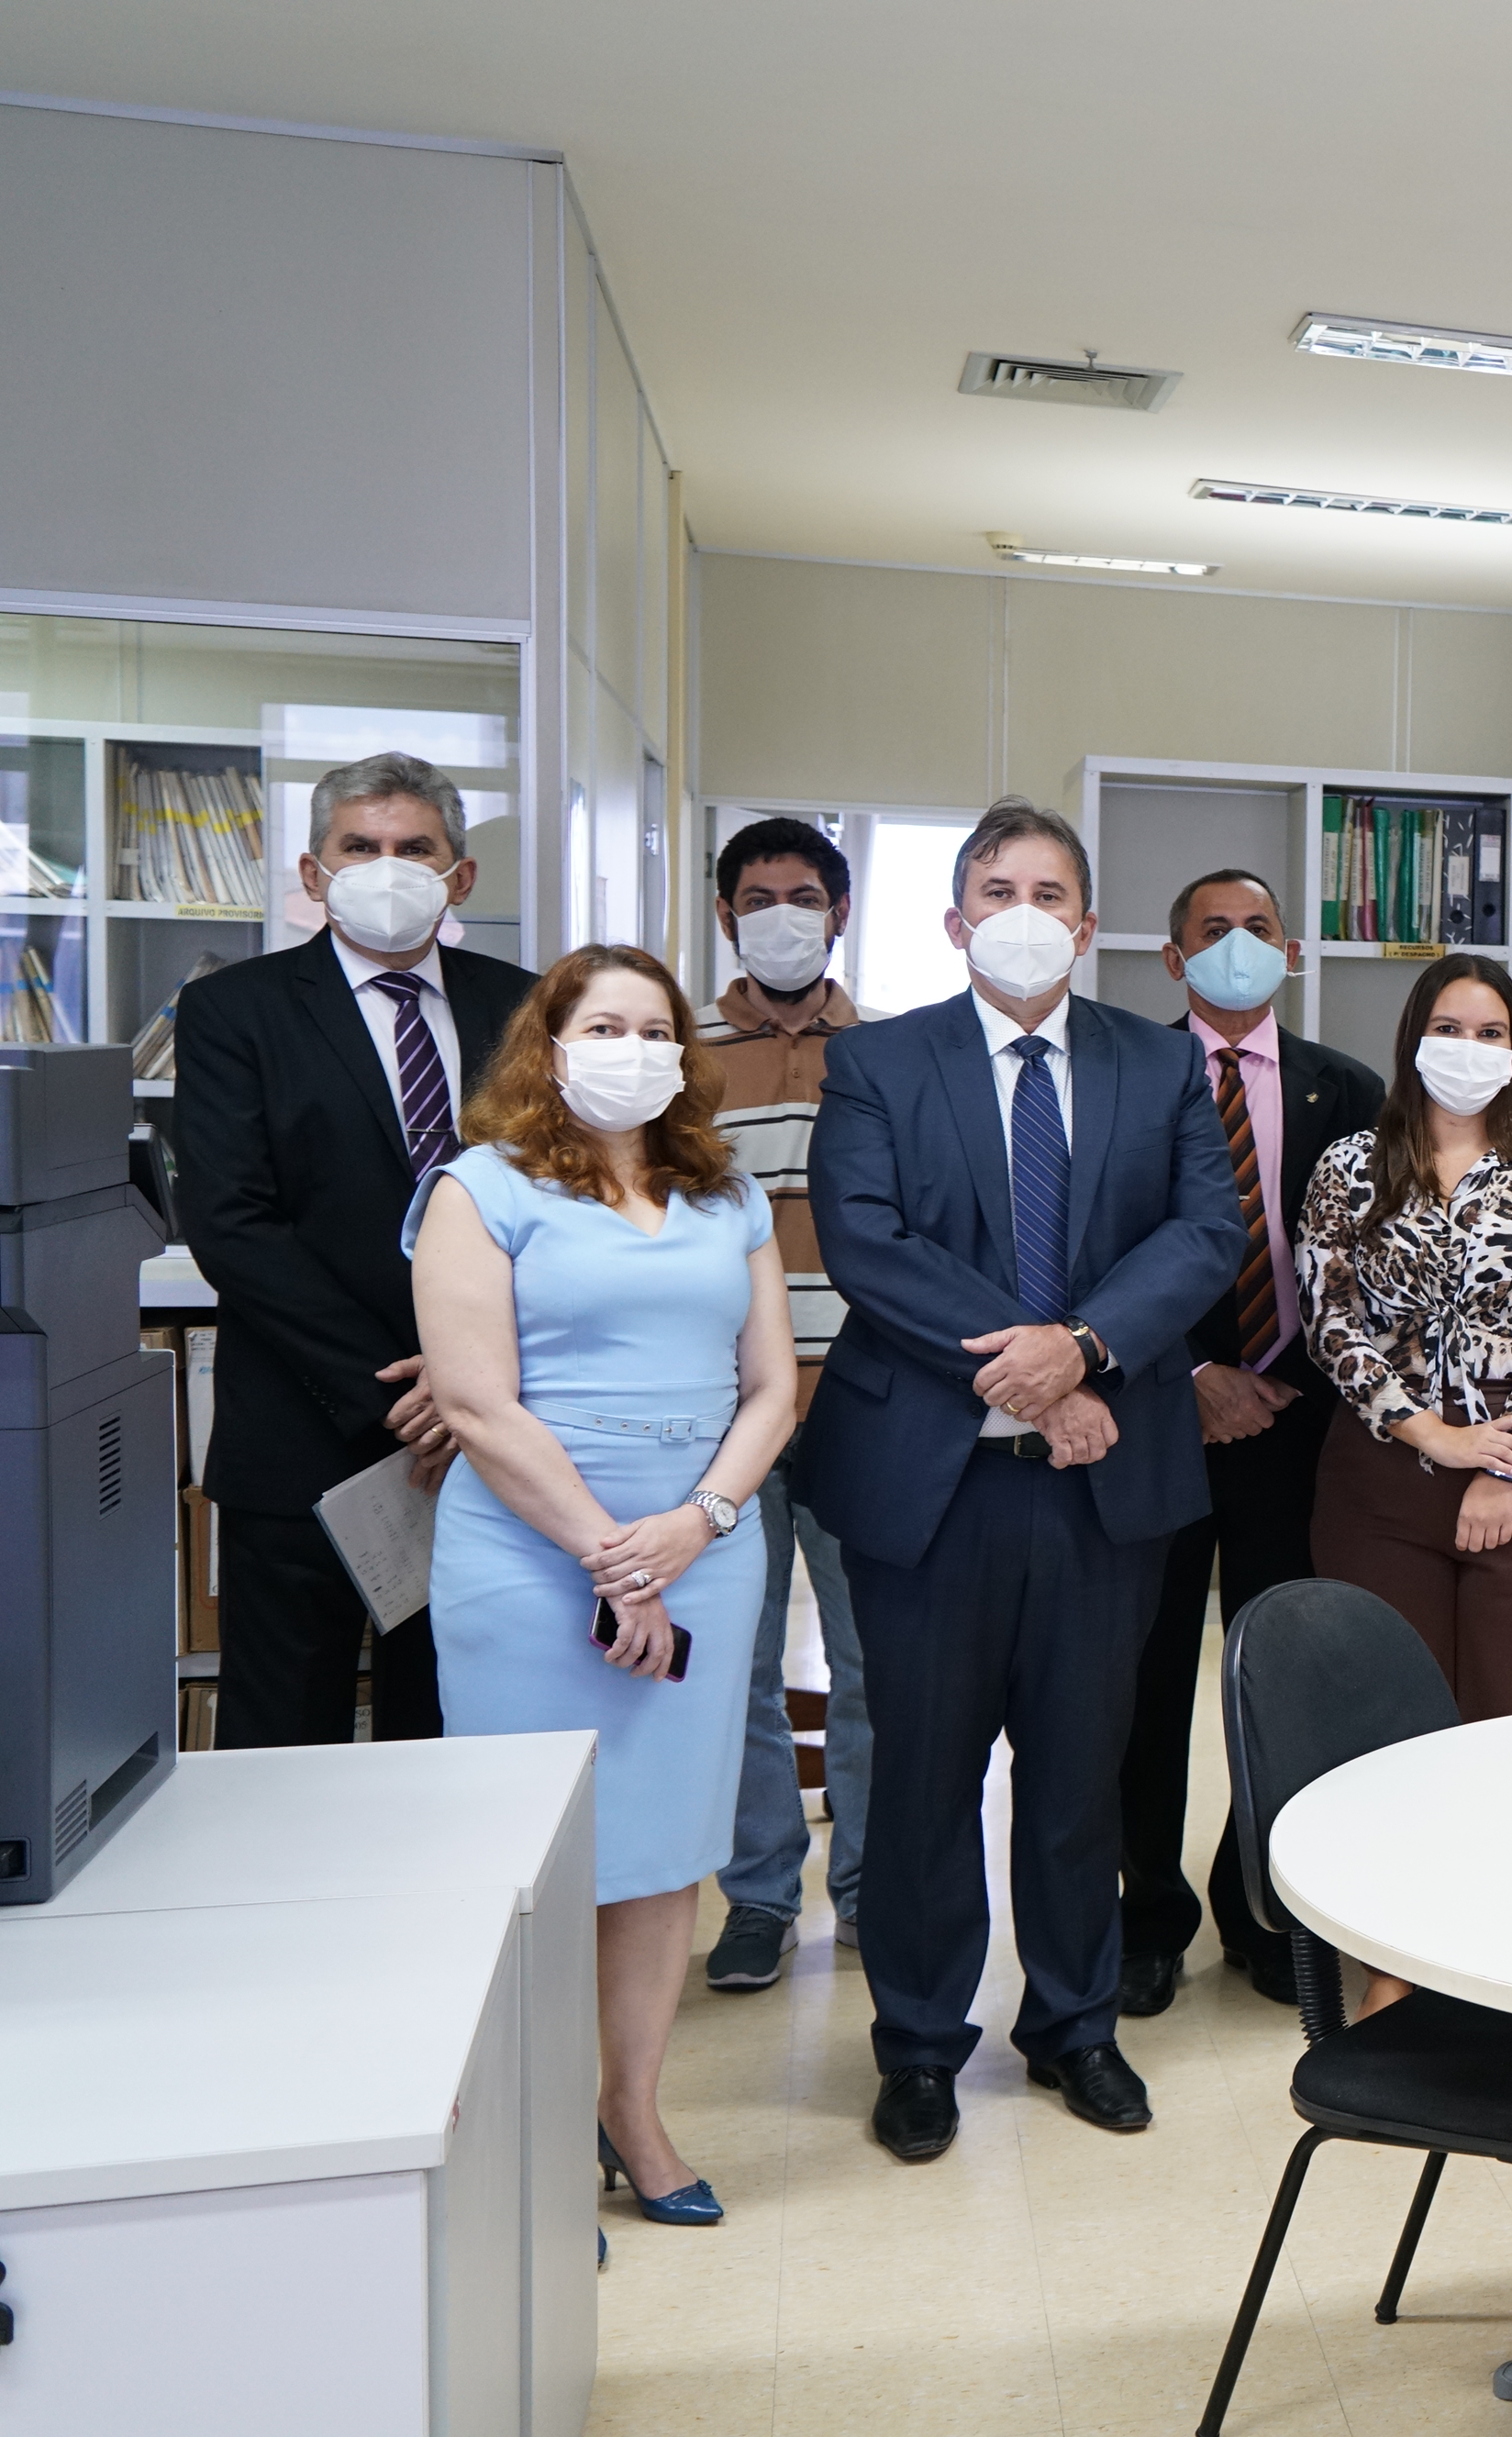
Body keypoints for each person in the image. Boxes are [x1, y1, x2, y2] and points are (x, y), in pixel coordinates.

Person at [795, 797, 1241, 2164]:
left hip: (1107, 1483)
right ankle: (922, 2046)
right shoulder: (878, 1063)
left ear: (1090, 925)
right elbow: (866, 1244)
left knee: (1076, 1772)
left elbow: (1203, 1230)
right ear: (954, 919)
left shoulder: (1155, 1068)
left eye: (1050, 890)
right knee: (927, 1774)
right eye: (997, 888)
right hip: (933, 1482)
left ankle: (1075, 2025)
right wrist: (1030, 1370)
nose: (1024, 910)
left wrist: (1087, 1351)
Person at [408, 945, 795, 2227]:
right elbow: (472, 1402)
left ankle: (630, 2108)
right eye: (603, 1025)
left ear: (682, 1054)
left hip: (705, 1549)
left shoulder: (722, 1190)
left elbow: (771, 1387)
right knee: (538, 1855)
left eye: (653, 1028)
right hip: (531, 1559)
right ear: (551, 1045)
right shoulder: (482, 1190)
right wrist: (607, 1556)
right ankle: (522, 2135)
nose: (630, 1048)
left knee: (661, 1850)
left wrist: (697, 1524)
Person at [175, 751, 532, 1748]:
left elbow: (556, 1212)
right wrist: (400, 1387)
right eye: (360, 847)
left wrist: (467, 1384)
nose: (387, 865)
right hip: (304, 1440)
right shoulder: (234, 1011)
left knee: (450, 1738)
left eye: (414, 848)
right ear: (312, 873)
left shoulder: (526, 1008)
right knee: (283, 1744)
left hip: (487, 1446)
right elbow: (233, 1223)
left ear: (460, 877)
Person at [1114, 867, 1383, 2020]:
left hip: (1302, 1422)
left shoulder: (1349, 1089)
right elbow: (1101, 1253)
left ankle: (1258, 1904)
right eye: (1211, 931)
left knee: (1276, 1677)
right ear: (1173, 960)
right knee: (1151, 1675)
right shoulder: (1122, 1081)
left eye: (1258, 928)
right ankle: (1147, 1917)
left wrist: (1282, 1379)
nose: (1237, 945)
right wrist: (1187, 1375)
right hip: (1161, 1419)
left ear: (1293, 950)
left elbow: (1374, 1266)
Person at [1299, 952, 1512, 1722]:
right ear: (1414, 1038)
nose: (1468, 1046)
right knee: (1387, 1710)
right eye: (1449, 1028)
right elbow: (1328, 1320)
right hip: (1382, 1461)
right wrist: (1434, 1437)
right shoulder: (1348, 1166)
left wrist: (1499, 1464)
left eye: (1489, 1031)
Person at [696, 815, 878, 1994]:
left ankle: (867, 1887)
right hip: (730, 1415)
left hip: (870, 1408)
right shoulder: (681, 1057)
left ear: (841, 912)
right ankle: (760, 1893)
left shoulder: (896, 1051)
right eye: (758, 896)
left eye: (803, 895)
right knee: (737, 1668)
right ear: (725, 916)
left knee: (876, 1668)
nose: (782, 914)